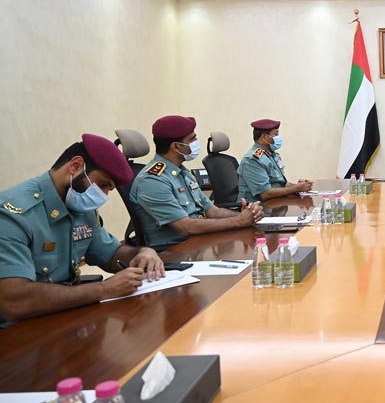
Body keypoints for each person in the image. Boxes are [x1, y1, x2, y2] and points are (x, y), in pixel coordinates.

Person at [0, 134, 166, 326]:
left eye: (109, 189)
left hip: (63, 317)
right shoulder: (13, 214)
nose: (103, 195)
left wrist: (144, 252)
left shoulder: (81, 206)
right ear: (76, 166)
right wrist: (103, 289)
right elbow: (14, 302)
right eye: (102, 184)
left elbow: (110, 255)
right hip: (17, 331)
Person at [130, 115, 263, 249]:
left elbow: (212, 211)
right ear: (176, 147)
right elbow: (185, 227)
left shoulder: (183, 172)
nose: (196, 142)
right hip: (173, 251)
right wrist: (239, 221)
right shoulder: (153, 180)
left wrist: (245, 215)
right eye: (192, 139)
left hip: (197, 243)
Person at [237, 119, 313, 203]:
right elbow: (265, 193)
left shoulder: (272, 155)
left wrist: (300, 186)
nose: (278, 138)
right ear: (264, 137)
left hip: (274, 204)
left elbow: (281, 184)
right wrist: (296, 188)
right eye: (276, 134)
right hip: (255, 207)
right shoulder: (252, 160)